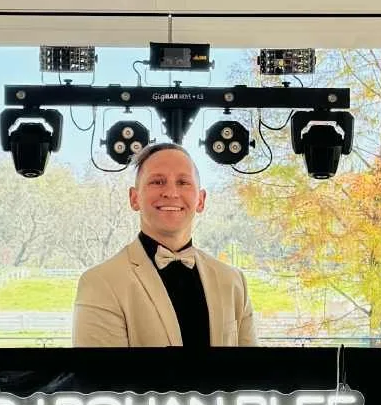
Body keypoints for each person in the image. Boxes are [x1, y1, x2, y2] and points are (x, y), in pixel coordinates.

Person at [71, 139, 256, 348]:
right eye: (157, 182)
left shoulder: (234, 281)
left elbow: (252, 377)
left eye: (183, 182)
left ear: (201, 200)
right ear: (134, 198)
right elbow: (101, 380)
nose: (171, 192)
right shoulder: (100, 283)